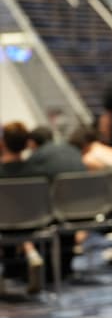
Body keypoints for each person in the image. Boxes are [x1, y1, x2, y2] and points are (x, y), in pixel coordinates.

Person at [0, 121, 44, 293]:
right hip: (34, 223)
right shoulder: (38, 171)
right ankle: (31, 252)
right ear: (26, 143)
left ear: (3, 143)